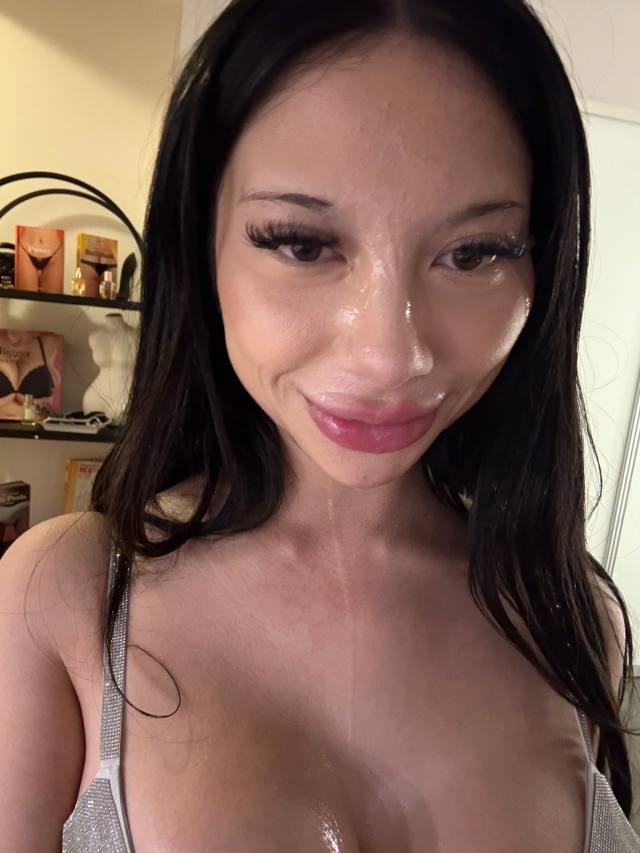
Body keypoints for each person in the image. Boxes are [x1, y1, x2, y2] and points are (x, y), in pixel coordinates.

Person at [1, 1, 638, 850]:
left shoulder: (574, 619)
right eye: (301, 243)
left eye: (475, 252)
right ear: (202, 241)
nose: (389, 355)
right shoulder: (60, 597)